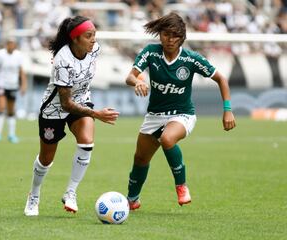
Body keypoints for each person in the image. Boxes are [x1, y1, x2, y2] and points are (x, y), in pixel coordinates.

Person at [125, 12, 236, 210]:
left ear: (182, 38)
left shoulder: (191, 59)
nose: (170, 39)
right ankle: (132, 200)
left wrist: (227, 110)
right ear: (160, 35)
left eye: (175, 35)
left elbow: (221, 79)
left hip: (182, 114)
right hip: (154, 115)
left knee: (167, 139)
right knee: (140, 158)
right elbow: (130, 77)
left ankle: (181, 186)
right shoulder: (151, 52)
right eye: (166, 34)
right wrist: (138, 81)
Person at [24, 15, 119, 216]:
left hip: (82, 101)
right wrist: (97, 114)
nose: (94, 39)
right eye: (88, 35)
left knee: (86, 142)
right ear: (75, 39)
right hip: (55, 109)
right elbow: (66, 104)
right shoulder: (63, 61)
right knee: (46, 159)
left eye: (94, 34)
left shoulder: (95, 50)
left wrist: (92, 112)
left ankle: (71, 192)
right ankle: (33, 195)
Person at [0, 38, 27, 143]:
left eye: (13, 44)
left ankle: (11, 135)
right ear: (6, 44)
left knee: (11, 110)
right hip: (2, 85)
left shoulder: (19, 55)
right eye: (9, 44)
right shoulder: (0, 54)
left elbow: (21, 71)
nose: (11, 46)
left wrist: (23, 85)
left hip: (13, 85)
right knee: (1, 108)